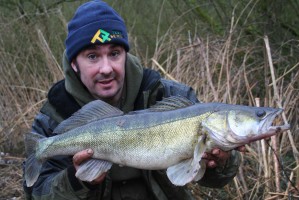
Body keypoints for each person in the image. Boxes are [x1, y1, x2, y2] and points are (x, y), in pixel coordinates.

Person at [23, 1, 243, 199]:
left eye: (115, 53)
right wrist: (77, 180)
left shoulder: (170, 96)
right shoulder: (54, 116)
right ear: (74, 63)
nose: (106, 68)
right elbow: (37, 194)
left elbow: (215, 181)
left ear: (125, 54)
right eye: (92, 56)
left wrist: (221, 162)